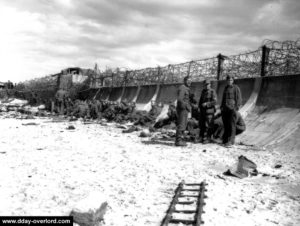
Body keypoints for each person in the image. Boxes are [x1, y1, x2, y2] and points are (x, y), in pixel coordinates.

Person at [221, 74, 242, 146]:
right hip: (225, 109)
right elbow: (223, 99)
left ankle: (231, 141)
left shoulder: (236, 88)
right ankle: (225, 140)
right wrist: (221, 107)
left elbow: (239, 99)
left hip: (232, 109)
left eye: (231, 80)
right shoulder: (225, 88)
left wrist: (236, 108)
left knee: (232, 125)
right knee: (226, 125)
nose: (230, 81)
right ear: (226, 81)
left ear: (233, 81)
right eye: (228, 80)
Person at [198, 79, 217, 144]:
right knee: (202, 124)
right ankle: (201, 137)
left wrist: (207, 104)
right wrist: (199, 107)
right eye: (205, 85)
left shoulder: (212, 91)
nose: (206, 86)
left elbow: (215, 102)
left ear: (210, 84)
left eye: (208, 84)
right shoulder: (203, 91)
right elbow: (200, 101)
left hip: (209, 111)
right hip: (203, 111)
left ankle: (208, 138)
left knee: (209, 125)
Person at [175, 76, 191, 146]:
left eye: (190, 81)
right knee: (181, 124)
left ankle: (180, 140)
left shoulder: (186, 88)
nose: (190, 82)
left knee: (184, 124)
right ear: (184, 81)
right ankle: (178, 141)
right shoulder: (182, 88)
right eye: (188, 80)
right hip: (182, 109)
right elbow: (180, 99)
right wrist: (187, 106)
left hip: (184, 109)